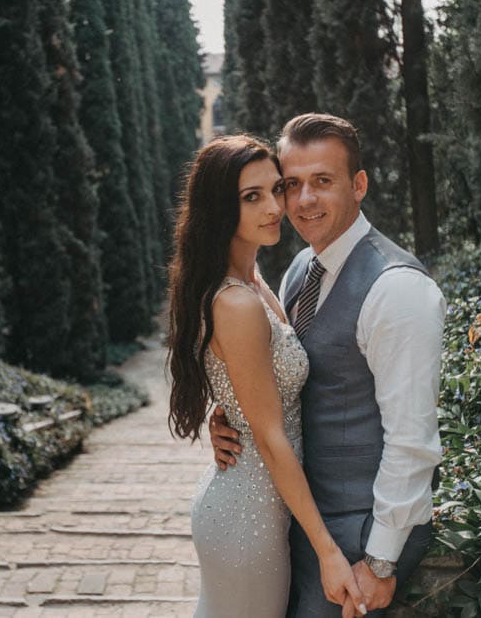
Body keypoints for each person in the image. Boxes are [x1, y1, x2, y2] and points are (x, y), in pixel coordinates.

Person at [209, 114, 445, 617]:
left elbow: (412, 440)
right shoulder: (299, 269)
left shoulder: (397, 288)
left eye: (323, 182)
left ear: (358, 185)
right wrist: (232, 414)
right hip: (303, 523)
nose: (303, 201)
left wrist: (382, 561)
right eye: (290, 185)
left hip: (363, 533)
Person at [167, 135, 368, 617]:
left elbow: (247, 383)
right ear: (220, 209)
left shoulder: (252, 284)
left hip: (255, 506)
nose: (276, 206)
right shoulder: (236, 303)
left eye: (276, 189)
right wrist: (328, 552)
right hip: (247, 518)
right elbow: (272, 436)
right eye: (251, 196)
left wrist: (226, 408)